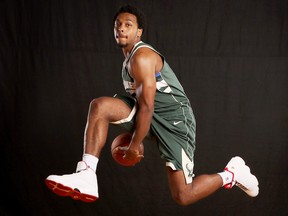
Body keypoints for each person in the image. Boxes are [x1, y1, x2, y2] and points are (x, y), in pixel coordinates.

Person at [45, 5, 259, 205]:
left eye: (128, 24)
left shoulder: (142, 57)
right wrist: (135, 139)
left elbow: (147, 107)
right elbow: (144, 105)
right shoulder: (127, 61)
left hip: (176, 122)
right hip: (150, 114)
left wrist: (133, 145)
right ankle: (86, 174)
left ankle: (232, 174)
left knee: (183, 195)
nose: (121, 28)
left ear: (139, 32)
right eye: (117, 24)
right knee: (100, 107)